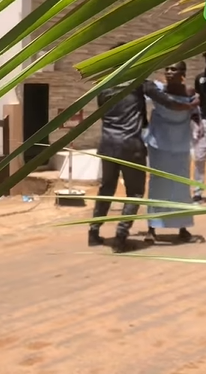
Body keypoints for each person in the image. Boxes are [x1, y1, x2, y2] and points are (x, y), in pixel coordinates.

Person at [88, 44, 199, 253]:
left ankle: (93, 233)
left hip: (107, 144)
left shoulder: (103, 85)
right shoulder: (141, 84)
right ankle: (121, 237)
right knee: (135, 193)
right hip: (131, 146)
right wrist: (192, 105)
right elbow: (169, 103)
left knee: (106, 190)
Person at [143, 61, 202, 243]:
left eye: (173, 69)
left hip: (180, 147)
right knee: (158, 186)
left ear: (183, 72)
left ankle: (183, 228)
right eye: (167, 68)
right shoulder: (158, 89)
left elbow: (195, 114)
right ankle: (152, 228)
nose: (169, 72)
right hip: (159, 145)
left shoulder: (190, 93)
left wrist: (198, 123)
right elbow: (144, 86)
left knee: (181, 187)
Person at [192, 52, 206, 203]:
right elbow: (197, 99)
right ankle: (197, 191)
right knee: (200, 158)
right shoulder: (200, 78)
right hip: (204, 121)